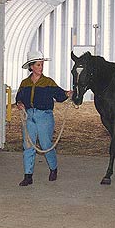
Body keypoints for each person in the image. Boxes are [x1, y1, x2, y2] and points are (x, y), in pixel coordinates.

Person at [15, 50, 72, 186]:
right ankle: (28, 175)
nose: (41, 67)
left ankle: (53, 168)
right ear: (31, 67)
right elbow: (19, 97)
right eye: (38, 65)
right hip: (29, 116)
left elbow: (59, 95)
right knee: (28, 145)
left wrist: (68, 93)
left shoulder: (48, 82)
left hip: (44, 116)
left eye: (41, 65)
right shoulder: (25, 83)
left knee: (46, 144)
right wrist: (19, 103)